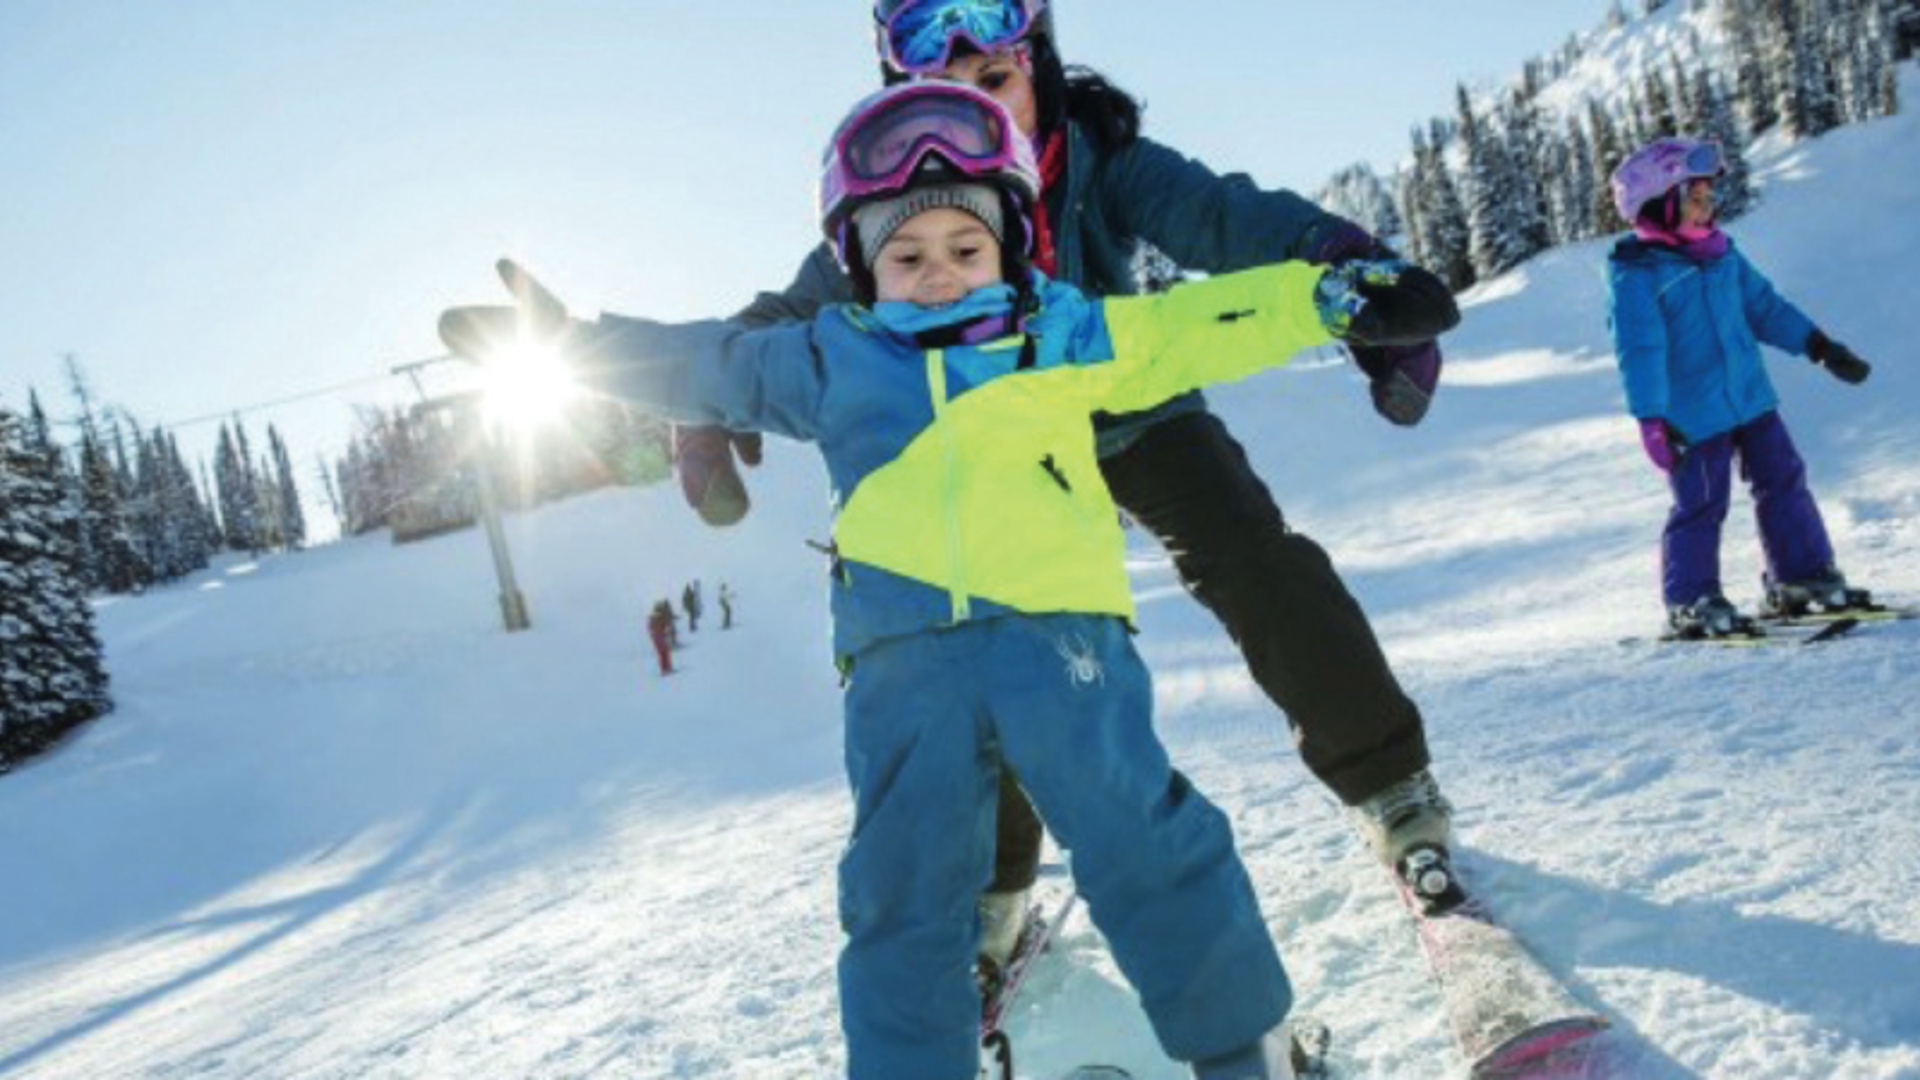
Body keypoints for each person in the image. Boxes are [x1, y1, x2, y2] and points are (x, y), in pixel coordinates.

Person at [440, 82, 1456, 1080]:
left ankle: (1249, 1053)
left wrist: (1330, 296)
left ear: (1008, 247)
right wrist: (572, 348)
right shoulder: (828, 358)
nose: (939, 275)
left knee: (1147, 845)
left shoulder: (1060, 333)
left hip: (1061, 650)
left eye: (967, 249)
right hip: (901, 674)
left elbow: (1194, 325)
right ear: (860, 267)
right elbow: (705, 361)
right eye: (907, 254)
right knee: (903, 898)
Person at [678, 0, 1466, 963]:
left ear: (1038, 54)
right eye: (940, 64)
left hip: (1135, 408)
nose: (973, 77)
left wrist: (1348, 267)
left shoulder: (1101, 159)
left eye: (993, 52)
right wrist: (711, 390)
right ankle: (992, 892)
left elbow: (1224, 218)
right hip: (998, 440)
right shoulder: (906, 190)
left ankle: (1391, 785)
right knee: (986, 625)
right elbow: (803, 300)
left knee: (1256, 562)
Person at [1606, 137, 1875, 638]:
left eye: (1710, 195)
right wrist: (1651, 419)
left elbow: (1765, 308)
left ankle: (1799, 577)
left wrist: (1819, 345)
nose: (1710, 205)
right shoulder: (1638, 276)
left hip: (1752, 400)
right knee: (1702, 504)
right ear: (1660, 206)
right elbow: (1639, 353)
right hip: (1692, 416)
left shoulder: (1724, 255)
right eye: (1696, 196)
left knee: (1784, 478)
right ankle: (1690, 599)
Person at [646, 599, 675, 675]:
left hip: (656, 638)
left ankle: (664, 669)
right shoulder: (660, 616)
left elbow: (650, 627)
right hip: (660, 636)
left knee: (661, 653)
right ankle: (667, 668)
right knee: (665, 652)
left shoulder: (653, 617)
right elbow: (666, 623)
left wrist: (653, 634)